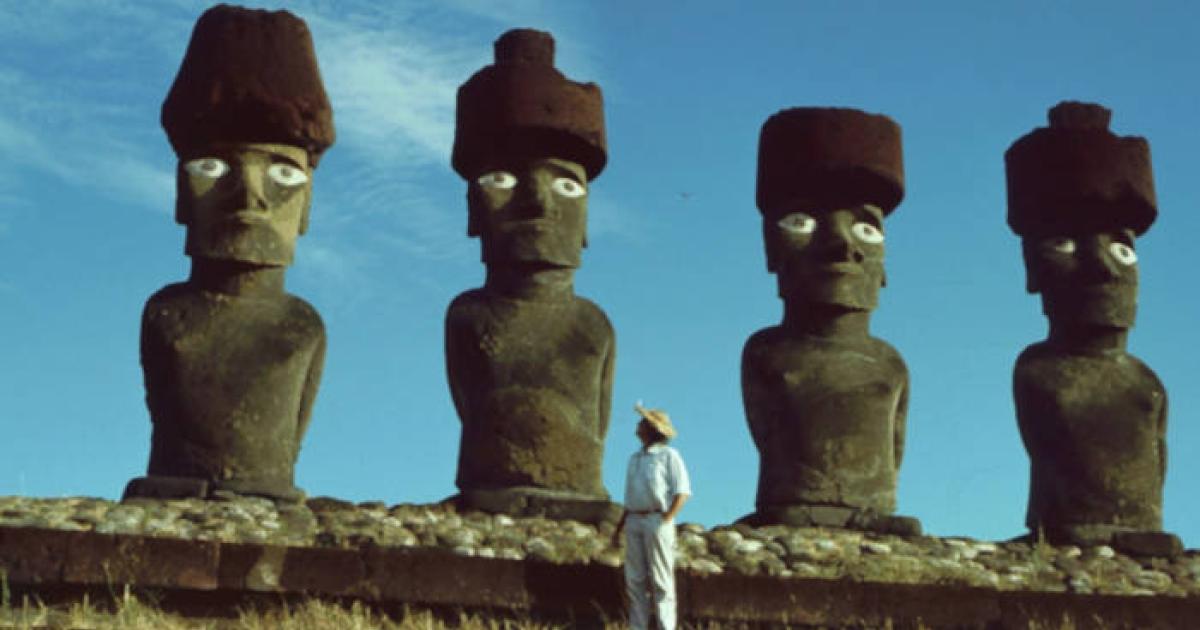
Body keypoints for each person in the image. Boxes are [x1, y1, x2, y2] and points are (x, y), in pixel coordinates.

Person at [613, 404, 691, 630]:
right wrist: (619, 528)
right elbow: (629, 498)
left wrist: (666, 519)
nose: (637, 426)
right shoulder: (634, 459)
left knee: (661, 580)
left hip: (656, 520)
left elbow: (682, 491)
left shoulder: (669, 456)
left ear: (650, 428)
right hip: (634, 520)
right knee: (635, 579)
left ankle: (666, 626)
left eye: (641, 422)